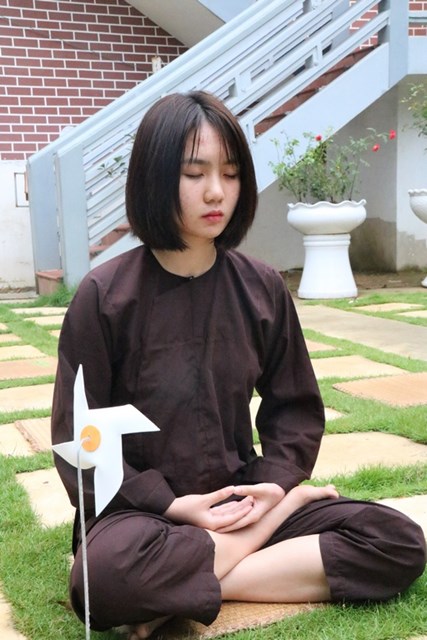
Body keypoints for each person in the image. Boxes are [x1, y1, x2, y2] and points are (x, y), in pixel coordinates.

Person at [51, 91, 426, 640]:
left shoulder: (261, 287)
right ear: (155, 178)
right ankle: (240, 551)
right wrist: (175, 505)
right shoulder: (104, 295)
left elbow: (295, 409)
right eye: (194, 173)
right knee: (102, 580)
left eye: (230, 174)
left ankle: (182, 588)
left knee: (396, 540)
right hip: (143, 514)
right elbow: (78, 439)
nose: (216, 191)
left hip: (242, 497)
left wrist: (272, 489)